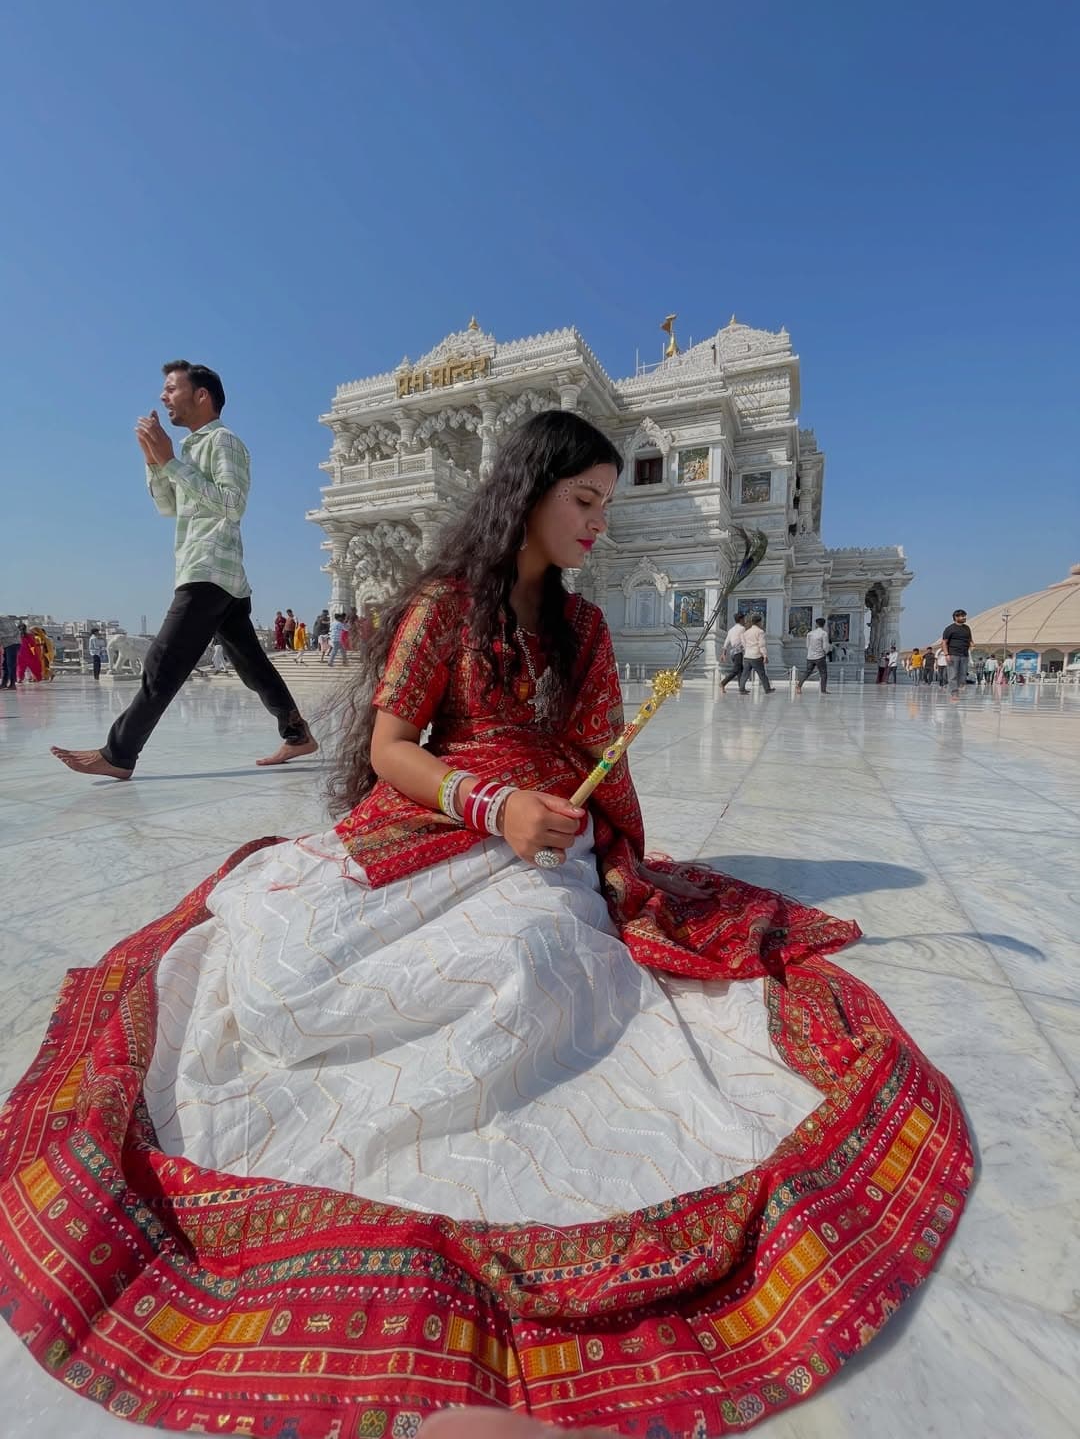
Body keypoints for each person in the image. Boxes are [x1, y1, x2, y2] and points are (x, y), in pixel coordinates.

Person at [0, 411, 970, 1433]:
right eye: (583, 499)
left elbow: (597, 764)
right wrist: (490, 805)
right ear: (529, 492)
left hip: (546, 842)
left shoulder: (586, 628)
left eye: (608, 503)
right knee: (290, 970)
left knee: (529, 957)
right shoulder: (446, 606)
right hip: (444, 819)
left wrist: (574, 822)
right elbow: (392, 748)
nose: (597, 522)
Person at [50, 361, 317, 779]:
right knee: (251, 664)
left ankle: (119, 754)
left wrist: (171, 461)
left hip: (210, 569)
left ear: (202, 396)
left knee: (163, 661)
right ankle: (297, 734)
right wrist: (154, 462)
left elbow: (232, 505)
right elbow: (168, 507)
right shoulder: (190, 449)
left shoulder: (224, 441)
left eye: (172, 388)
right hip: (214, 572)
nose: (163, 397)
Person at [941, 608, 973, 702]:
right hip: (953, 654)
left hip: (964, 655)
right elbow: (944, 642)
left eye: (964, 616)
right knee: (953, 675)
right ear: (956, 617)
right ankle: (954, 693)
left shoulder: (967, 628)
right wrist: (946, 654)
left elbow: (970, 639)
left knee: (963, 675)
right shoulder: (950, 629)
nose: (964, 618)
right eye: (962, 616)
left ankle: (957, 688)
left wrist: (972, 644)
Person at [737, 612, 772, 693]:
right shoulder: (760, 632)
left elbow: (744, 643)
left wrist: (747, 650)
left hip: (747, 655)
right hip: (756, 656)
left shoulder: (746, 632)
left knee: (745, 674)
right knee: (762, 674)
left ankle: (741, 689)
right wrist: (765, 655)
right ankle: (767, 689)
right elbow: (761, 645)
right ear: (759, 622)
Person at [796, 616, 829, 694]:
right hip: (820, 656)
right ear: (824, 624)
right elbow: (825, 646)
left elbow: (807, 645)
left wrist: (811, 652)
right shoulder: (824, 633)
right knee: (823, 673)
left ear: (816, 624)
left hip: (810, 656)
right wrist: (825, 652)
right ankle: (823, 690)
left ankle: (799, 686)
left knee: (807, 672)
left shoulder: (810, 633)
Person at [718, 610, 746, 691]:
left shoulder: (731, 630)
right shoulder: (742, 628)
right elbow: (743, 641)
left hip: (732, 653)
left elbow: (726, 642)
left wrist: (723, 654)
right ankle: (723, 683)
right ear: (741, 619)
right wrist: (747, 650)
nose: (744, 620)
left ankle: (741, 688)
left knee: (740, 670)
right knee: (736, 670)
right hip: (738, 652)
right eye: (744, 619)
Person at [0, 614, 20, 689]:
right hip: (6, 644)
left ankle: (12, 683)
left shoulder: (4, 620)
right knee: (5, 664)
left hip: (13, 643)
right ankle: (4, 683)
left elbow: (11, 633)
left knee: (10, 664)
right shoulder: (4, 619)